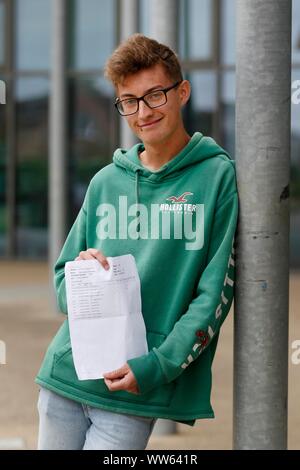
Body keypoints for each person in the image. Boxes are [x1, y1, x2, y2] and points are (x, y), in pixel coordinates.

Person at [35, 33, 239, 450]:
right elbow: (60, 284)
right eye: (129, 101)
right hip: (63, 378)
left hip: (132, 390)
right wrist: (81, 276)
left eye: (155, 96)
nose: (143, 112)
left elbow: (212, 296)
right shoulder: (106, 181)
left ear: (182, 92)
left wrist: (158, 366)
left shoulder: (216, 177)